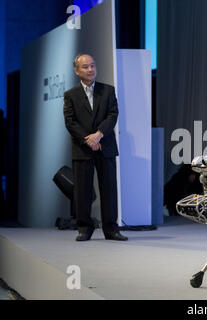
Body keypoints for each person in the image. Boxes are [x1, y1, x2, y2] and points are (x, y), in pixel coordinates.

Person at [63, 54, 127, 241]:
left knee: (109, 190)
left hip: (105, 146)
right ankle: (84, 228)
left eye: (92, 65)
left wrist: (98, 134)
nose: (90, 70)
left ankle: (111, 229)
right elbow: (70, 122)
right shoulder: (70, 95)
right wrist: (88, 140)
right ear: (77, 71)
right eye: (85, 67)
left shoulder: (108, 90)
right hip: (82, 148)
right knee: (82, 190)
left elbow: (112, 115)